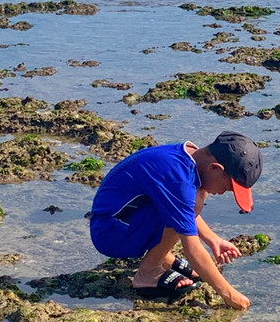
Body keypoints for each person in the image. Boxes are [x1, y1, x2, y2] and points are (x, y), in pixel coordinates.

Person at [89, 131, 260, 310]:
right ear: (215, 168)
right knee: (190, 202)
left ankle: (164, 257)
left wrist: (213, 240)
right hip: (111, 233)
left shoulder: (191, 157)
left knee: (191, 200)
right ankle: (148, 272)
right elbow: (192, 248)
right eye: (228, 187)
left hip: (125, 218)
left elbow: (183, 208)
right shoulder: (177, 179)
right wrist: (230, 295)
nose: (225, 192)